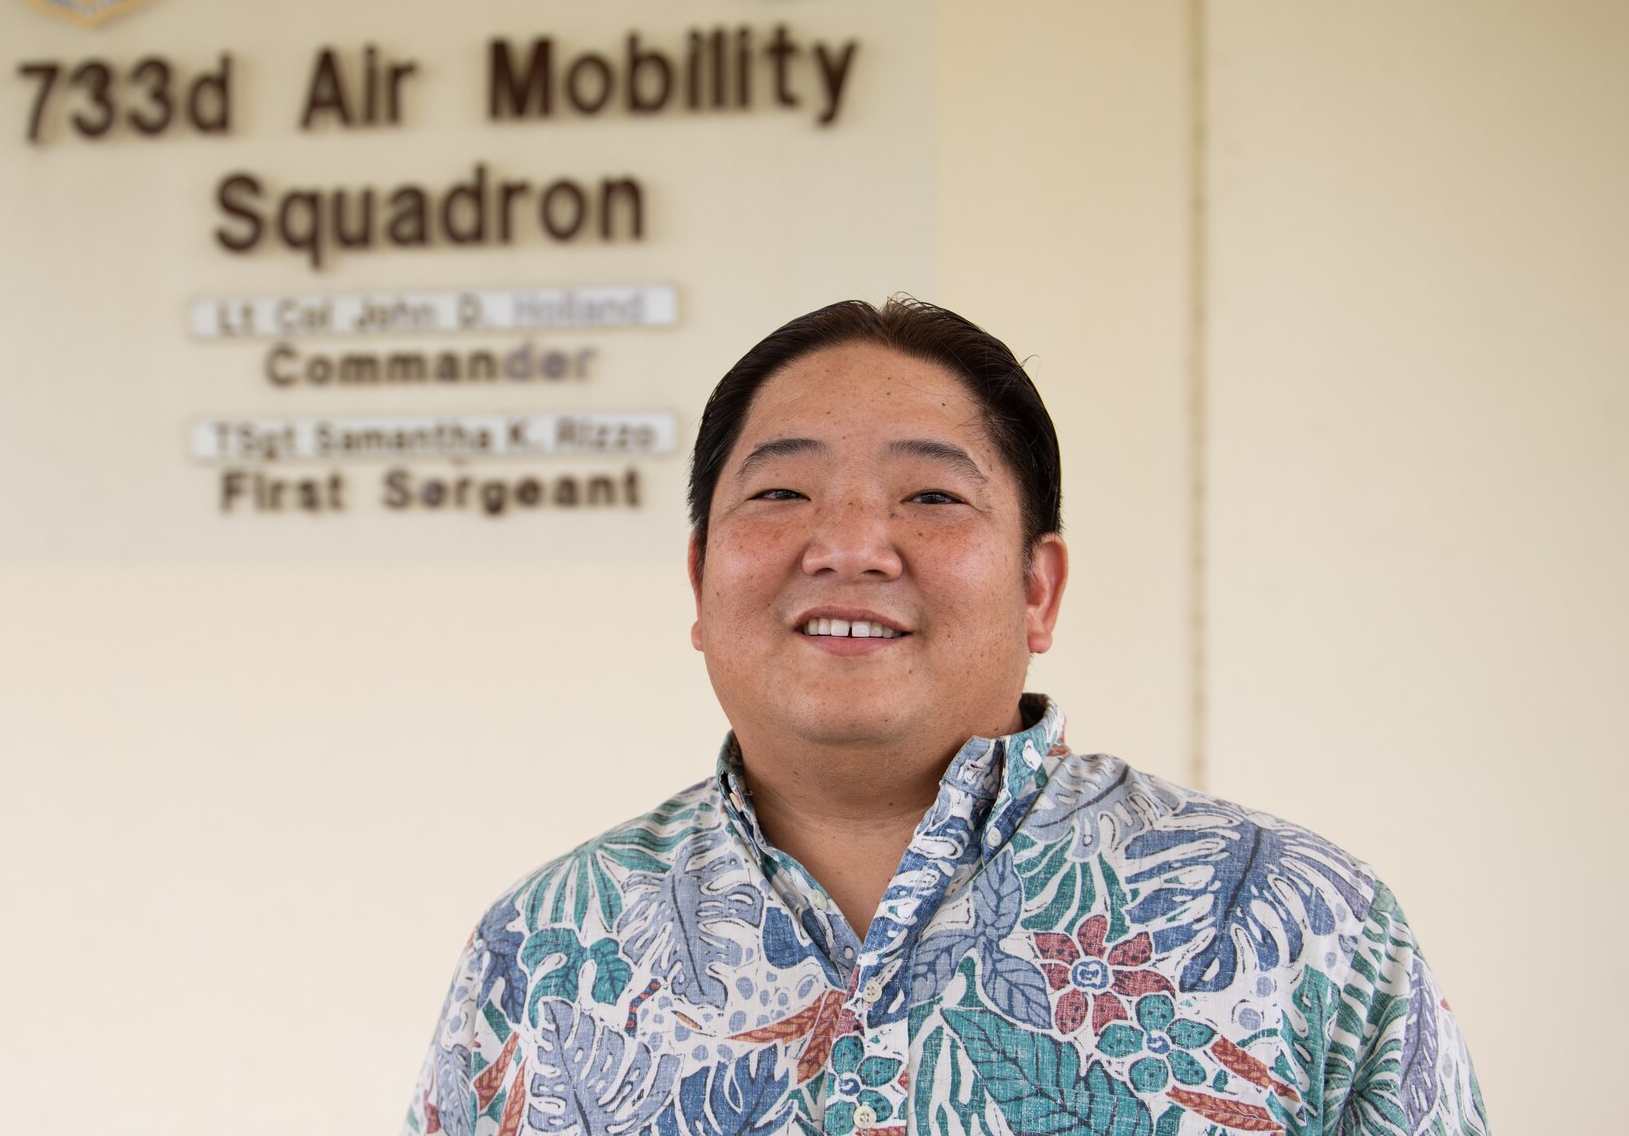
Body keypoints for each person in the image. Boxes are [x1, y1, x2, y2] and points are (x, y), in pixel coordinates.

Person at [404, 298, 1485, 1136]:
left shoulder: (1300, 922)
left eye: (930, 497)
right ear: (697, 581)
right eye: (780, 494)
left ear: (1037, 589)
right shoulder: (546, 946)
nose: (850, 545)